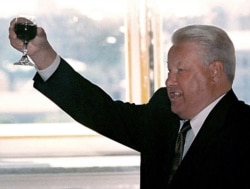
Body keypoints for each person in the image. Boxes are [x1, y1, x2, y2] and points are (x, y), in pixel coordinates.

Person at [8, 18, 250, 189]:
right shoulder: (162, 112)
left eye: (181, 70)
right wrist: (42, 54)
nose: (169, 80)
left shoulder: (243, 130)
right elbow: (100, 112)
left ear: (215, 72)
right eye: (168, 70)